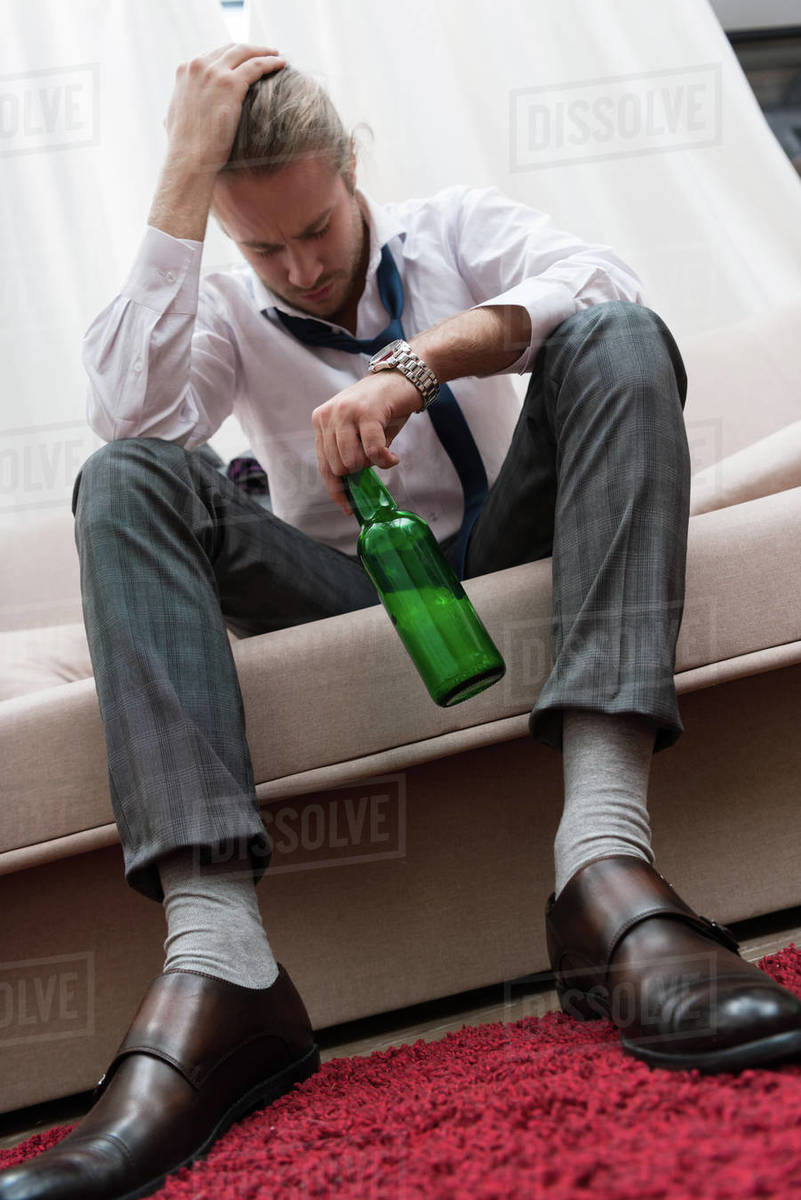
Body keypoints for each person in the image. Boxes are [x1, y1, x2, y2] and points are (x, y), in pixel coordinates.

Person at [3, 39, 801, 1200]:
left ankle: (605, 859)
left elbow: (609, 287)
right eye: (262, 244)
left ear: (349, 168)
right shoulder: (227, 311)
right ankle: (221, 967)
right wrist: (180, 177)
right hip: (340, 596)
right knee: (125, 479)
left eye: (315, 227)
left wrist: (412, 367)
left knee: (617, 339)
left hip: (506, 544)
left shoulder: (453, 228)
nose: (300, 267)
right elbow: (132, 415)